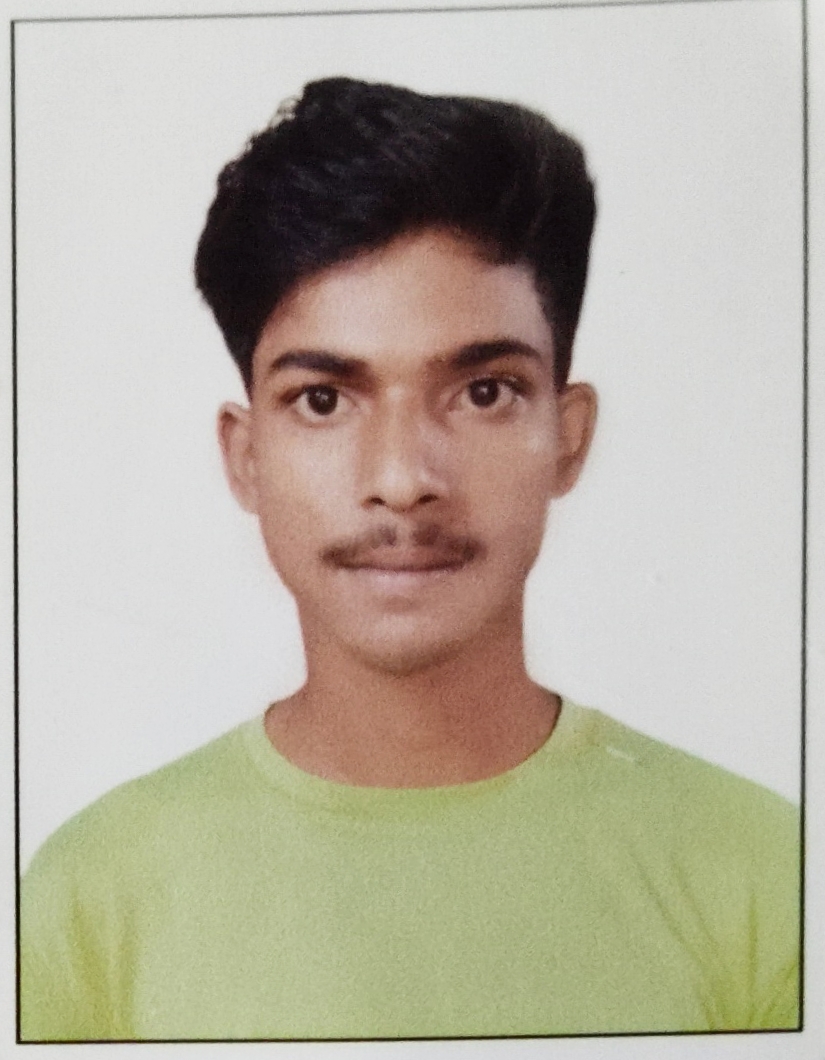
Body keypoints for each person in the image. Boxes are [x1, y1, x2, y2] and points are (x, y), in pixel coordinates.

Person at [20, 76, 799, 1042]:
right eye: (322, 400)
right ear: (245, 455)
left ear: (568, 437)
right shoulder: (89, 902)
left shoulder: (767, 879)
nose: (401, 480)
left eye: (483, 392)